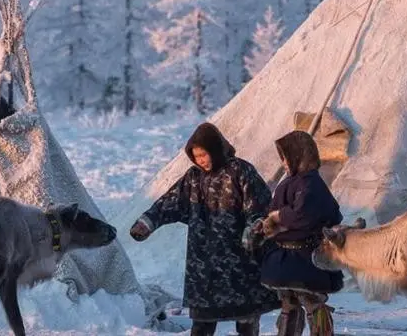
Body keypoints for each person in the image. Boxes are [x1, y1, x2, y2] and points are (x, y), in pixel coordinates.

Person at [130, 122, 279, 336]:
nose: (201, 160)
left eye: (204, 154)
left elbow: (258, 206)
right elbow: (170, 202)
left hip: (240, 265)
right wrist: (147, 222)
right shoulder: (193, 178)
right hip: (204, 266)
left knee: (246, 321)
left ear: (215, 149)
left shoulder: (240, 170)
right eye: (196, 156)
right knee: (202, 324)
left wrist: (253, 230)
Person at [251, 130, 345, 336]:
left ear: (298, 156)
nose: (283, 162)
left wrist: (276, 218)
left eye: (285, 157)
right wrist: (265, 224)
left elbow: (303, 215)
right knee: (289, 303)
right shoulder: (289, 183)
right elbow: (275, 211)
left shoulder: (312, 184)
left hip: (307, 259)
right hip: (286, 258)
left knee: (312, 303)